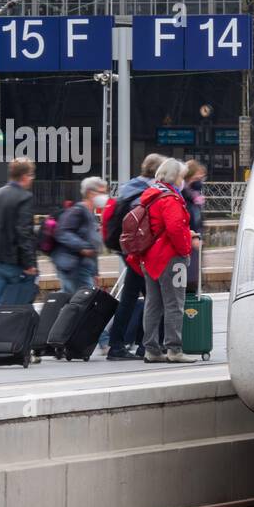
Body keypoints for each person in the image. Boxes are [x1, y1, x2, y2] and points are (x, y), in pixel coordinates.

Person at [103, 153, 164, 360]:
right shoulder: (147, 194)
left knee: (131, 300)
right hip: (142, 254)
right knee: (153, 301)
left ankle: (119, 345)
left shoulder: (129, 187)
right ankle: (141, 345)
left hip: (129, 252)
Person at [139, 158, 198, 364]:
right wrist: (186, 250)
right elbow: (174, 228)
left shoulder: (150, 196)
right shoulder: (171, 199)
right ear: (175, 177)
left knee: (153, 304)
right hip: (171, 258)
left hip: (150, 258)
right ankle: (174, 349)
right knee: (175, 304)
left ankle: (152, 349)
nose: (183, 180)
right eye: (182, 176)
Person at [0, 157, 39, 305]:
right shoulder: (24, 197)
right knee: (18, 302)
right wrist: (30, 263)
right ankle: (15, 325)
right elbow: (23, 233)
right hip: (13, 261)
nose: (32, 179)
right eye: (31, 175)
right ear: (24, 177)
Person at [51, 176, 108, 294]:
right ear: (90, 193)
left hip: (83, 267)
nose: (105, 196)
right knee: (81, 302)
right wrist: (82, 247)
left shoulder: (90, 214)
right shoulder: (77, 211)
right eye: (102, 192)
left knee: (77, 301)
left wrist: (95, 272)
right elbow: (62, 232)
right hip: (73, 266)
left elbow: (93, 243)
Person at [181, 159, 206, 296]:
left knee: (194, 278)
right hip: (189, 242)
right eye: (198, 175)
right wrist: (192, 236)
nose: (201, 179)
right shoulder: (184, 194)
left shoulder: (194, 194)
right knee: (189, 280)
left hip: (196, 241)